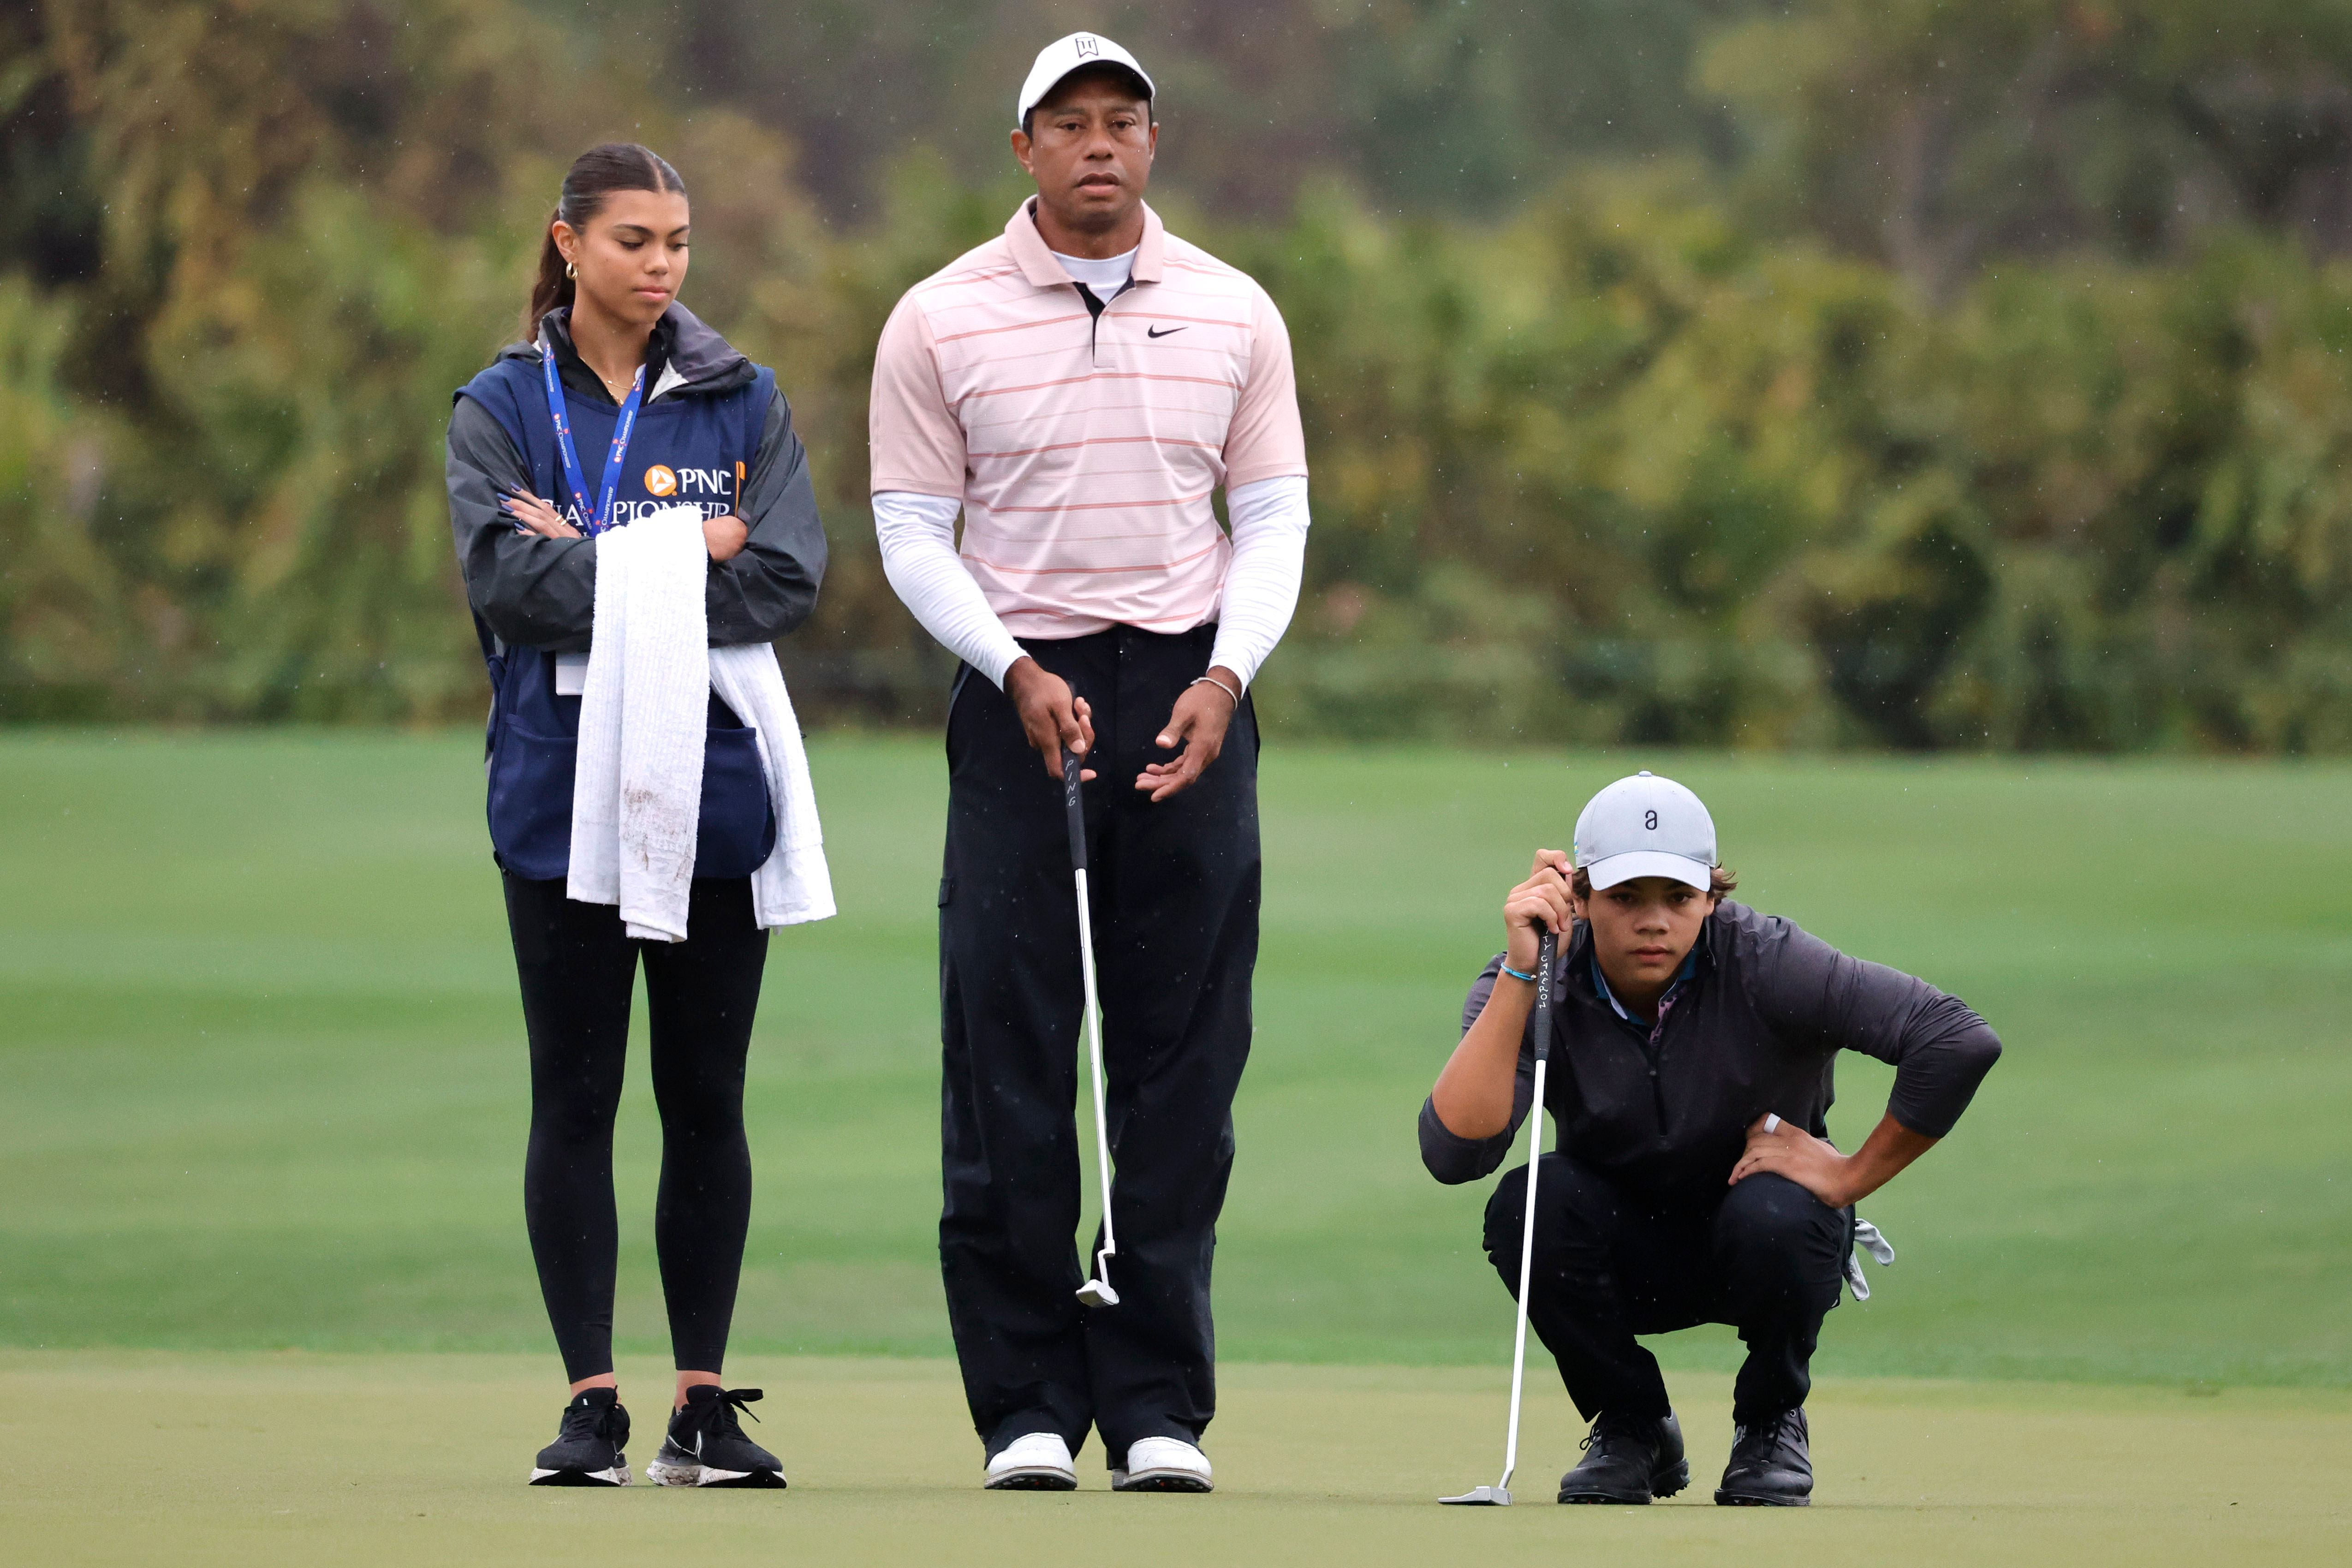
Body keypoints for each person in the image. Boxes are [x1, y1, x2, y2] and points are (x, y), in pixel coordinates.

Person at [868, 33, 1312, 1493]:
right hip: (1021, 699)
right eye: (1069, 125)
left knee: (1180, 1061)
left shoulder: (1234, 312)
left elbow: (1272, 520)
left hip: (1188, 691)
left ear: (1153, 141)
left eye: (1123, 121)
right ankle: (1026, 1409)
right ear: (1024, 150)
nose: (1099, 146)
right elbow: (913, 533)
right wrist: (1011, 668)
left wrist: (1225, 678)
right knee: (1004, 1054)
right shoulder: (939, 319)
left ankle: (1156, 1402)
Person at [445, 142, 828, 1489]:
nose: (661, 265)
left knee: (705, 1099)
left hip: (713, 777)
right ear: (566, 245)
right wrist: (681, 547)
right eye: (633, 241)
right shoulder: (499, 402)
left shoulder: (740, 397)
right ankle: (591, 1403)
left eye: (677, 242)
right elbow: (507, 586)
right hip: (556, 780)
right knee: (577, 1097)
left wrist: (598, 553)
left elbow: (785, 575)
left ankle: (704, 1407)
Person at [1421, 771, 2001, 1506]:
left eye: (1678, 898)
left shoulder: (1770, 960)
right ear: (1581, 898)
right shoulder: (1536, 979)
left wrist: (1852, 1176)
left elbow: (1955, 1038)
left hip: (1767, 1237)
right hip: (1625, 1246)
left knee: (1779, 1213)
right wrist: (1521, 970)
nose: (1654, 922)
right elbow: (1454, 1153)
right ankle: (1633, 1426)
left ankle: (1770, 1421)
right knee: (1528, 1204)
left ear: (1712, 897)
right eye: (1626, 899)